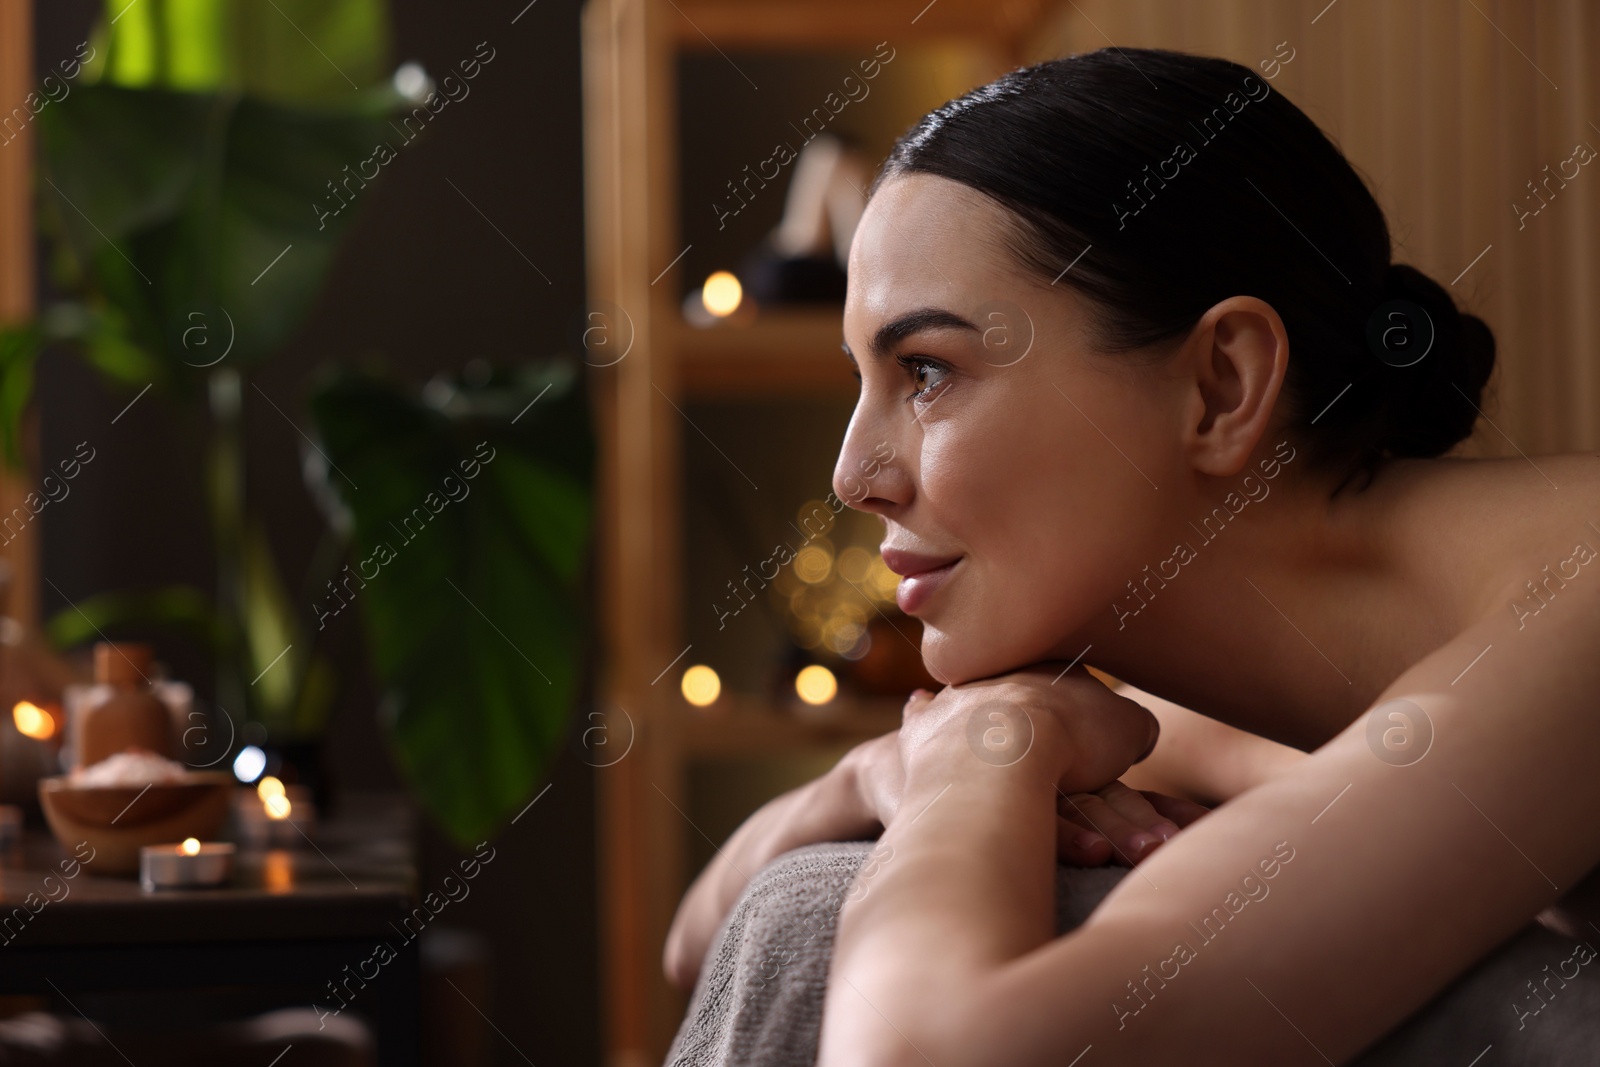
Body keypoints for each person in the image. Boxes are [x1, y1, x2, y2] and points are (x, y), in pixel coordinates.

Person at [666, 47, 1600, 1064]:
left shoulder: (1575, 610)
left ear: (1219, 385)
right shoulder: (1189, 712)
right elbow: (699, 934)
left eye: (926, 369)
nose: (853, 474)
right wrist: (875, 770)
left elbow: (922, 1053)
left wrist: (975, 764)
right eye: (864, 379)